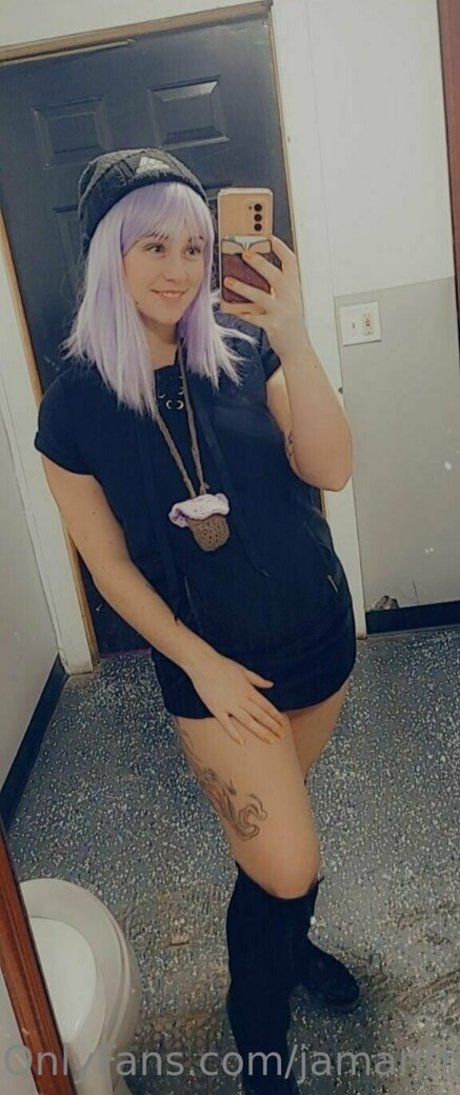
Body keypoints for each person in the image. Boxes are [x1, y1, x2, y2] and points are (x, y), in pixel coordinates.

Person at [34, 148, 360, 1094]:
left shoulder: (246, 348)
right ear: (108, 255)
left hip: (319, 635)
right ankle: (258, 1033)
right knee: (288, 861)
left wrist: (294, 334)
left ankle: (287, 949)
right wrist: (200, 665)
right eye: (152, 247)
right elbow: (108, 565)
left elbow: (331, 467)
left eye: (193, 246)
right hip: (214, 671)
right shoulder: (75, 408)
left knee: (277, 852)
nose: (179, 269)